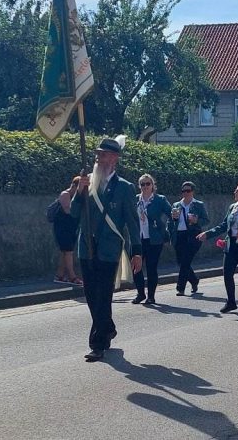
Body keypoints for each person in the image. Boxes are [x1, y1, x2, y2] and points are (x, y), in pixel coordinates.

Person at [71, 135, 143, 362]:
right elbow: (74, 214)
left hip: (109, 249)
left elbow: (133, 222)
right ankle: (108, 327)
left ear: (114, 158)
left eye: (103, 154)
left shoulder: (124, 188)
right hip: (86, 247)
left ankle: (98, 343)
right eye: (97, 154)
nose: (98, 158)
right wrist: (78, 193)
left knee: (103, 295)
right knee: (92, 295)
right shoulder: (88, 182)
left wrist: (137, 251)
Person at [199, 182, 238, 313]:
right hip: (231, 244)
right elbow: (223, 225)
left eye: (237, 190)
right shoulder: (233, 207)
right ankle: (231, 302)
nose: (234, 192)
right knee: (227, 274)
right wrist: (207, 234)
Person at [132, 174, 171, 304]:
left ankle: (151, 296)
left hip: (154, 239)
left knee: (151, 267)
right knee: (136, 267)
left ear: (152, 185)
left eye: (148, 184)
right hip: (138, 238)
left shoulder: (159, 199)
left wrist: (166, 228)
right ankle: (140, 293)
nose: (145, 187)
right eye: (142, 184)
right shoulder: (136, 200)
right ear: (139, 186)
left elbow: (171, 214)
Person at [170, 181, 209, 296]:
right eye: (183, 191)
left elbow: (206, 220)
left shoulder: (198, 204)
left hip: (193, 235)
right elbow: (170, 221)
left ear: (193, 192)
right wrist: (173, 221)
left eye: (188, 191)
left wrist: (197, 221)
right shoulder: (176, 205)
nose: (186, 193)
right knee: (181, 262)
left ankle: (180, 288)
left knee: (186, 261)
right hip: (179, 235)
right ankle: (194, 280)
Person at [52, 177, 83, 286]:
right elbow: (68, 210)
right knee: (68, 251)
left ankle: (59, 275)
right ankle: (72, 276)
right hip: (62, 227)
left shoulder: (78, 196)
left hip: (71, 227)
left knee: (65, 252)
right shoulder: (65, 194)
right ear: (74, 186)